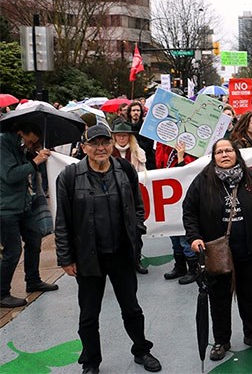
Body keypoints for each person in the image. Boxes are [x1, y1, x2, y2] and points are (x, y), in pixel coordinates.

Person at [54, 124, 161, 374]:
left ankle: (142, 350)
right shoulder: (69, 177)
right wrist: (65, 258)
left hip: (122, 255)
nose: (100, 148)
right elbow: (63, 221)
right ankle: (91, 362)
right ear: (84, 148)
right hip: (88, 258)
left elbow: (137, 204)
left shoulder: (124, 169)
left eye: (105, 142)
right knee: (89, 315)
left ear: (112, 145)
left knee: (132, 308)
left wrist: (137, 230)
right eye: (94, 143)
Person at [183, 139, 252, 360]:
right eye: (219, 152)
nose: (224, 155)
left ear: (236, 153)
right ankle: (221, 340)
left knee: (248, 295)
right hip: (217, 252)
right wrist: (194, 237)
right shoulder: (203, 181)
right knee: (219, 297)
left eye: (228, 150)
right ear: (213, 157)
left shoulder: (251, 177)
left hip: (249, 248)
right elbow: (189, 211)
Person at [0, 122, 57, 308]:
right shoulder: (3, 145)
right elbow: (10, 175)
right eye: (30, 141)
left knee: (34, 239)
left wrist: (36, 154)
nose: (31, 145)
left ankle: (33, 280)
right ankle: (1, 293)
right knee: (12, 251)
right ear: (19, 133)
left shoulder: (21, 147)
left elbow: (33, 170)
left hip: (23, 204)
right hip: (5, 208)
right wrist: (35, 161)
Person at [155, 142, 198, 284]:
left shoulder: (192, 152)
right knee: (174, 236)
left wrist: (180, 158)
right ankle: (180, 266)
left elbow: (186, 174)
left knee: (185, 238)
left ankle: (194, 269)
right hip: (170, 200)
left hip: (185, 200)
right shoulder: (166, 151)